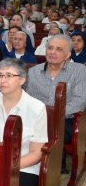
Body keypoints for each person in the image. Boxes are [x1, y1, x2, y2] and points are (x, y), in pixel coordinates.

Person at [26, 35, 86, 172]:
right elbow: (28, 99)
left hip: (67, 119)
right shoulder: (33, 71)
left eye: (59, 49)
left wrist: (55, 114)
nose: (52, 52)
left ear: (67, 55)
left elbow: (80, 100)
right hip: (38, 118)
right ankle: (30, 167)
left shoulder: (79, 70)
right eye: (50, 48)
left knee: (52, 131)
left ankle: (49, 168)